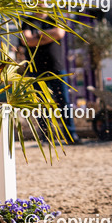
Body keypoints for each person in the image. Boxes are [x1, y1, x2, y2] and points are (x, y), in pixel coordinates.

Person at [22, 9, 80, 144]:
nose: (39, 4)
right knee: (41, 103)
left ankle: (71, 135)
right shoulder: (28, 21)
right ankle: (46, 136)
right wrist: (48, 36)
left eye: (41, 0)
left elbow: (59, 33)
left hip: (56, 67)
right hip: (36, 68)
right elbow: (27, 41)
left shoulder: (55, 17)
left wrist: (37, 35)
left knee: (64, 101)